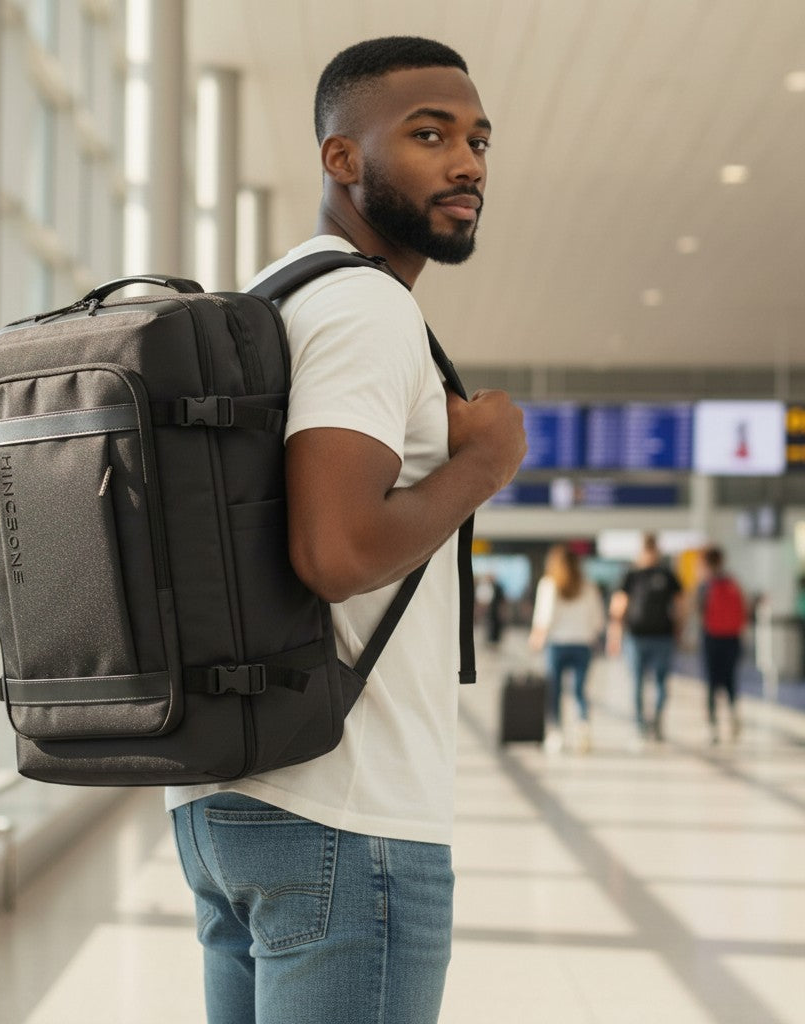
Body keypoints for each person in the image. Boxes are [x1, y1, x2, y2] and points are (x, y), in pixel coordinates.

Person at [165, 36, 527, 1024]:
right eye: (428, 135)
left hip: (234, 796)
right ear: (341, 157)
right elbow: (336, 552)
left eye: (478, 141)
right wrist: (484, 466)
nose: (467, 163)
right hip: (347, 810)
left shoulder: (277, 293)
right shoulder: (365, 307)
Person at [607, 533, 685, 744]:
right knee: (637, 682)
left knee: (661, 682)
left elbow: (680, 605)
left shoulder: (667, 575)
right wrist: (614, 636)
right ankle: (640, 723)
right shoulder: (631, 575)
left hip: (662, 636)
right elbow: (618, 607)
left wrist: (679, 629)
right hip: (636, 637)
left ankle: (656, 720)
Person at [529, 545, 605, 754]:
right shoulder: (588, 586)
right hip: (583, 644)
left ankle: (556, 734)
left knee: (555, 691)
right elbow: (598, 620)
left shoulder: (549, 584)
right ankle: (583, 729)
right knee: (580, 690)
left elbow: (545, 616)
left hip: (557, 644)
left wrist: (536, 638)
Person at [698, 546, 747, 743]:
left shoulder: (705, 585)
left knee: (711, 682)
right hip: (732, 638)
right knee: (730, 679)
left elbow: (700, 612)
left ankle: (713, 726)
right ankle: (733, 716)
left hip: (712, 638)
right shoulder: (733, 582)